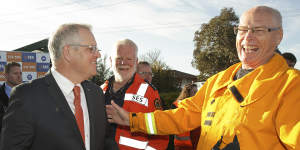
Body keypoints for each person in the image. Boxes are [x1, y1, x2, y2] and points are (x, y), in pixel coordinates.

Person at [106, 6, 300, 150]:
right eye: (242, 30)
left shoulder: (290, 85)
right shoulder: (218, 81)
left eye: (258, 30)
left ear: (278, 36)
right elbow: (181, 117)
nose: (247, 38)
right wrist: (133, 120)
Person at [0, 23, 112, 150]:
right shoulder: (27, 96)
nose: (98, 55)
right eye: (91, 48)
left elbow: (105, 141)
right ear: (68, 52)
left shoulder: (96, 93)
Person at [101, 39, 169, 150]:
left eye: (129, 59)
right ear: (110, 60)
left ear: (136, 62)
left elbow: (160, 135)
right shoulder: (99, 90)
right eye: (119, 58)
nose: (124, 63)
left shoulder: (149, 92)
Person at [171, 83, 199, 150]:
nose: (197, 94)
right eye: (194, 92)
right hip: (182, 145)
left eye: (197, 92)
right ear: (187, 93)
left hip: (196, 144)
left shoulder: (198, 106)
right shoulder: (176, 105)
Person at [0, 62, 22, 133]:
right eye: (15, 73)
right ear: (6, 75)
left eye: (20, 73)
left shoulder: (27, 92)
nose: (19, 76)